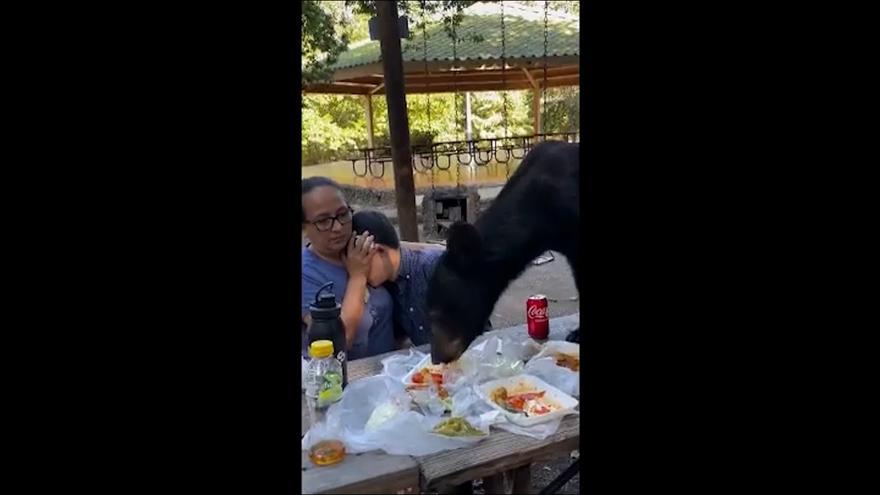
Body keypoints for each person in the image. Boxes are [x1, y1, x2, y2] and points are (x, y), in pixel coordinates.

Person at [351, 210, 491, 348]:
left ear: (379, 250)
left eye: (362, 260)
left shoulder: (434, 268)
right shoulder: (389, 288)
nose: (359, 269)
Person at [301, 177, 395, 360]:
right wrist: (358, 277)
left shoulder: (356, 246)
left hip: (391, 373)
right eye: (323, 221)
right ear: (305, 227)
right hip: (347, 380)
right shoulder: (307, 273)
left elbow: (397, 248)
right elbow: (338, 343)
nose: (337, 227)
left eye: (343, 214)